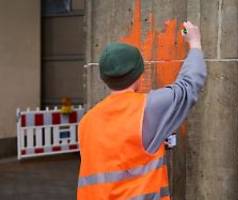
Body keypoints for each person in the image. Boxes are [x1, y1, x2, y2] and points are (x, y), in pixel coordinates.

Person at [77, 21, 207, 200]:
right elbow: (188, 86)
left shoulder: (86, 122)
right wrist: (195, 43)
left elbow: (117, 159)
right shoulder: (148, 107)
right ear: (139, 75)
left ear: (104, 78)